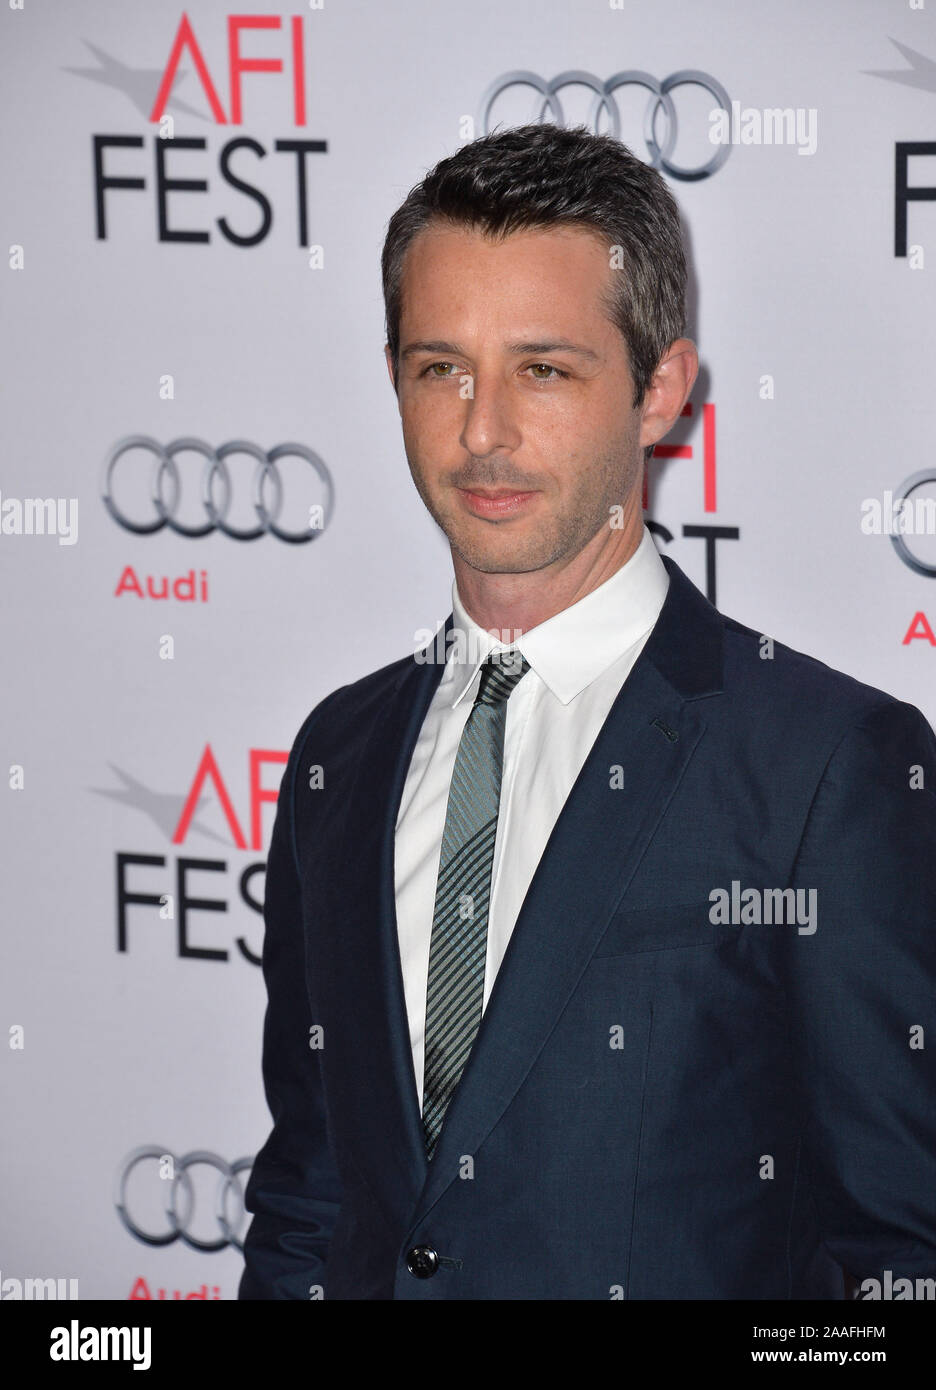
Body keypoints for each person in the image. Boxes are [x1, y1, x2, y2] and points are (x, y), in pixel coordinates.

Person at [239, 123, 936, 1300]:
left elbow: (903, 1255)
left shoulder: (825, 765)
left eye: (545, 369)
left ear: (660, 387)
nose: (482, 431)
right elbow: (312, 1191)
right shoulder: (339, 754)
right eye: (439, 367)